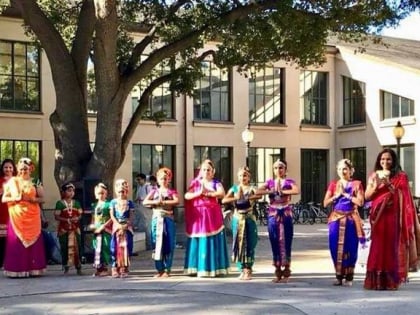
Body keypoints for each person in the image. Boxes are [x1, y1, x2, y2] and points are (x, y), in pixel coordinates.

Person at [364, 148, 417, 290]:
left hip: (393, 216)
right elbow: (367, 196)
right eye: (382, 159)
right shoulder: (374, 176)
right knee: (377, 247)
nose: (385, 162)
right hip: (378, 216)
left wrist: (388, 184)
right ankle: (376, 282)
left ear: (393, 161)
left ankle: (391, 281)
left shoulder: (401, 176)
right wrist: (375, 187)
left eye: (388, 159)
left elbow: (404, 195)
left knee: (391, 247)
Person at [184, 159, 230, 277]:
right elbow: (187, 195)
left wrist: (208, 193)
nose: (206, 172)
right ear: (201, 171)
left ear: (213, 171)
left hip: (212, 216)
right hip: (198, 216)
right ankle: (195, 268)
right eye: (204, 169)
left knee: (212, 240)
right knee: (197, 239)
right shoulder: (195, 183)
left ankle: (213, 268)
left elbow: (222, 193)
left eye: (208, 170)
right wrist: (198, 193)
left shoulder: (216, 183)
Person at [1, 157, 46, 277]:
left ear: (31, 169)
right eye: (20, 169)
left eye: (25, 169)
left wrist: (32, 199)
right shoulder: (12, 181)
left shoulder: (35, 181)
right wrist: (15, 198)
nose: (22, 171)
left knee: (34, 242)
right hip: (17, 217)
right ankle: (16, 270)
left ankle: (34, 269)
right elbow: (4, 198)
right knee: (16, 242)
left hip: (32, 217)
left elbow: (42, 199)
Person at [323, 158, 365, 287]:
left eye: (345, 169)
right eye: (340, 169)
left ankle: (349, 276)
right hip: (336, 219)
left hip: (351, 219)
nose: (342, 171)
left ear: (351, 171)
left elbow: (360, 202)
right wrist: (336, 195)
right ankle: (338, 276)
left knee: (351, 247)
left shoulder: (357, 184)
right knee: (335, 246)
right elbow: (325, 203)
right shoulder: (334, 185)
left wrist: (347, 195)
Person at [257, 159, 299, 283]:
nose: (278, 170)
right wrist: (271, 191)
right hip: (273, 214)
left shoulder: (289, 181)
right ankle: (277, 271)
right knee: (274, 240)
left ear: (285, 170)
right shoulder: (270, 182)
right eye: (276, 168)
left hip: (285, 213)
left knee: (286, 240)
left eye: (281, 167)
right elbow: (258, 191)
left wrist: (283, 191)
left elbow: (296, 190)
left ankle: (286, 270)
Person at [222, 166, 261, 280]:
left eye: (245, 175)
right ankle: (241, 268)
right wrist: (236, 197)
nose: (242, 177)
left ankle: (248, 268)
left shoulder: (251, 188)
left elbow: (259, 195)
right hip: (238, 218)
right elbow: (224, 200)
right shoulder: (234, 188)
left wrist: (248, 197)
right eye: (240, 175)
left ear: (249, 177)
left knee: (250, 243)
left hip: (249, 218)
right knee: (239, 243)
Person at [143, 167, 179, 278]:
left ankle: (167, 269)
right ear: (157, 180)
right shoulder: (154, 191)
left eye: (166, 178)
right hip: (157, 219)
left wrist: (164, 201)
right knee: (157, 243)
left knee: (169, 243)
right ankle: (159, 269)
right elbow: (145, 201)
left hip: (168, 219)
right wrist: (155, 201)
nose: (163, 180)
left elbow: (176, 201)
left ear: (169, 179)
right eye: (161, 178)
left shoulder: (171, 191)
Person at [54, 182, 83, 275]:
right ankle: (66, 267)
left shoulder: (77, 203)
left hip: (75, 229)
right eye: (69, 191)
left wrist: (77, 218)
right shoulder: (60, 203)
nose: (71, 193)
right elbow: (56, 217)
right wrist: (67, 220)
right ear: (63, 192)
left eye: (73, 191)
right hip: (64, 229)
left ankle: (79, 267)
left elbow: (80, 214)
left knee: (77, 247)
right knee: (64, 247)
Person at [110, 179, 135, 278]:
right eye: (120, 191)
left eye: (123, 191)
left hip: (126, 227)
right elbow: (112, 215)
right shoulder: (113, 202)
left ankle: (124, 267)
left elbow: (131, 215)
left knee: (127, 247)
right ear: (116, 191)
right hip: (116, 226)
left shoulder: (129, 203)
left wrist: (126, 224)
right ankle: (114, 267)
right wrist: (118, 225)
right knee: (115, 247)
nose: (121, 193)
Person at [89, 182, 112, 277]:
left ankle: (106, 268)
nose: (101, 195)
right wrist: (92, 225)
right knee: (97, 248)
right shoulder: (94, 205)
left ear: (106, 193)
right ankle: (99, 268)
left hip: (105, 230)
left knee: (105, 248)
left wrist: (104, 226)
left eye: (103, 193)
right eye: (99, 193)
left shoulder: (109, 204)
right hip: (96, 230)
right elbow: (93, 218)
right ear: (95, 194)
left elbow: (112, 218)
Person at [0, 158, 17, 268]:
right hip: (2, 210)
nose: (8, 169)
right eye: (6, 167)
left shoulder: (17, 180)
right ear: (2, 168)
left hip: (15, 211)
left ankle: (11, 261)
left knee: (13, 239)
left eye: (10, 167)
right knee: (1, 238)